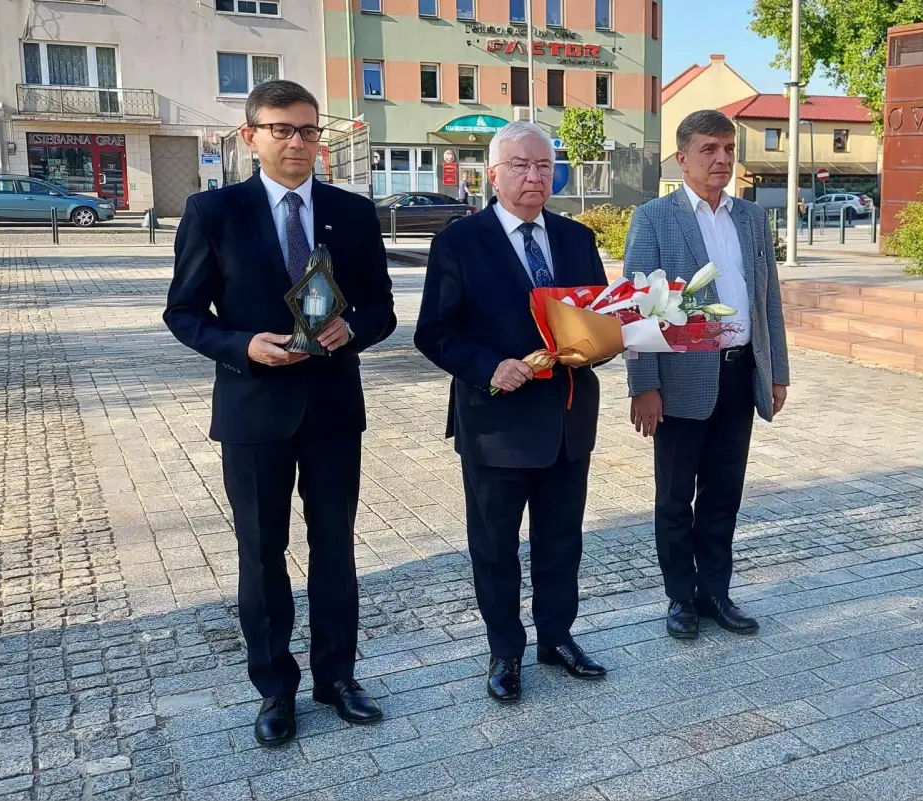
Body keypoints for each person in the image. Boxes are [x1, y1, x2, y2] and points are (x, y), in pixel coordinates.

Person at [164, 80, 395, 746]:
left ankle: (338, 676)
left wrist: (353, 329)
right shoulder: (214, 212)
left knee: (335, 551)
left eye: (309, 131)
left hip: (331, 410)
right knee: (262, 555)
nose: (298, 143)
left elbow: (381, 306)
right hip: (253, 411)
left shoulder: (351, 213)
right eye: (282, 130)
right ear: (251, 136)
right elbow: (182, 313)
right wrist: (242, 345)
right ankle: (274, 688)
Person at [415, 121, 609, 703]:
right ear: (493, 175)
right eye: (521, 166)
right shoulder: (460, 242)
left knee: (561, 540)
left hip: (567, 419)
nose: (534, 176)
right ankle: (505, 650)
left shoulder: (576, 239)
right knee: (496, 546)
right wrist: (488, 365)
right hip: (496, 420)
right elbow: (435, 332)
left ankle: (557, 636)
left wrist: (605, 338)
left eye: (544, 166)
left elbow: (601, 317)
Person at [624, 110, 790, 641]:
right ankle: (680, 600)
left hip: (740, 375)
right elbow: (637, 309)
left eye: (727, 149)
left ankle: (715, 592)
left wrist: (776, 371)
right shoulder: (655, 218)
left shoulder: (751, 218)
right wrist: (644, 386)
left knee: (723, 494)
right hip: (679, 383)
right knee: (675, 498)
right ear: (683, 157)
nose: (721, 159)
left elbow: (769, 301)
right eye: (708, 150)